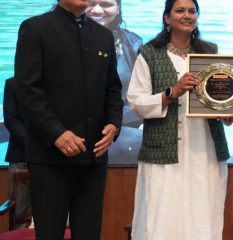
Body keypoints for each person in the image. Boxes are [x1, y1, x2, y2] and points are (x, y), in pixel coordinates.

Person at [13, 0, 123, 238]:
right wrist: (57, 133)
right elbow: (27, 89)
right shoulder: (35, 28)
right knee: (50, 233)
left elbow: (113, 89)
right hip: (50, 156)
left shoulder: (103, 35)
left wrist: (114, 124)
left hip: (94, 157)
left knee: (89, 233)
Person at [127, 0, 230, 239]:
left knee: (203, 214)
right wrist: (172, 92)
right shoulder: (149, 54)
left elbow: (223, 100)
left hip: (206, 148)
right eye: (180, 11)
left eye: (192, 11)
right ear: (167, 18)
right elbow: (136, 102)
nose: (187, 16)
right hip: (162, 151)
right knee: (162, 216)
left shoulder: (211, 51)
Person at [85, 0, 143, 165]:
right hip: (74, 129)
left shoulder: (132, 43)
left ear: (118, 9)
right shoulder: (57, 39)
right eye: (90, 3)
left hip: (124, 125)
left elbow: (146, 92)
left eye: (105, 4)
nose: (97, 10)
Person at [3, 77, 31, 229]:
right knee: (20, 216)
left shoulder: (56, 84)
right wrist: (34, 147)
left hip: (55, 161)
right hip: (21, 157)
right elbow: (11, 119)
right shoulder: (13, 83)